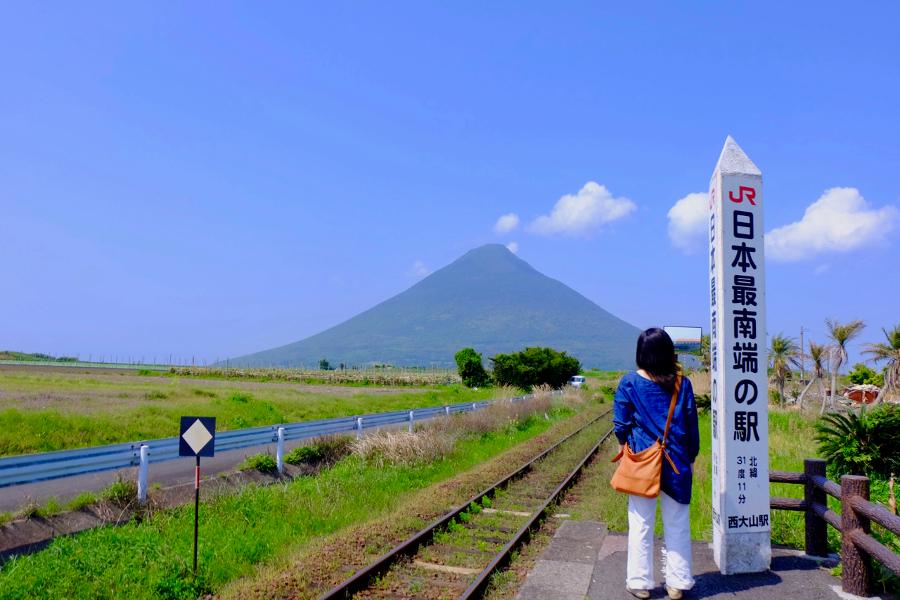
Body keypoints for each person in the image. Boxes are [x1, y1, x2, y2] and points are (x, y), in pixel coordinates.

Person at [613, 328, 700, 600]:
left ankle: (639, 582)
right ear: (668, 352)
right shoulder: (682, 384)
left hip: (643, 463)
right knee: (677, 523)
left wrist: (625, 446)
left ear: (641, 354)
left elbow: (621, 424)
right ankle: (678, 583)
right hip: (676, 463)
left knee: (641, 523)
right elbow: (691, 427)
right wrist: (691, 457)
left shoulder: (629, 383)